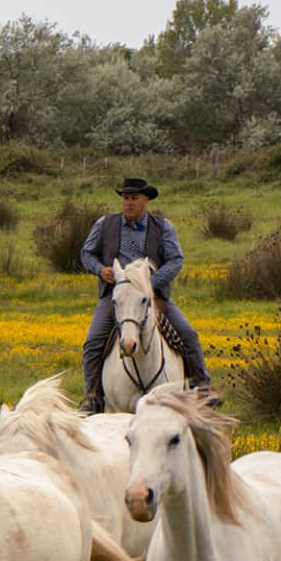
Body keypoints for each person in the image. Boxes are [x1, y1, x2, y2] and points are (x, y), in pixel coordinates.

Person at [77, 176, 212, 414]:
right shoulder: (105, 224)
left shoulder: (163, 226)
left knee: (188, 335)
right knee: (92, 343)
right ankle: (93, 397)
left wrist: (150, 283)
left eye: (134, 198)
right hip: (116, 295)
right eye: (126, 198)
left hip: (152, 294)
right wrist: (100, 270)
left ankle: (202, 389)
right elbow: (86, 253)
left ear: (145, 200)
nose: (129, 203)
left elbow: (176, 260)